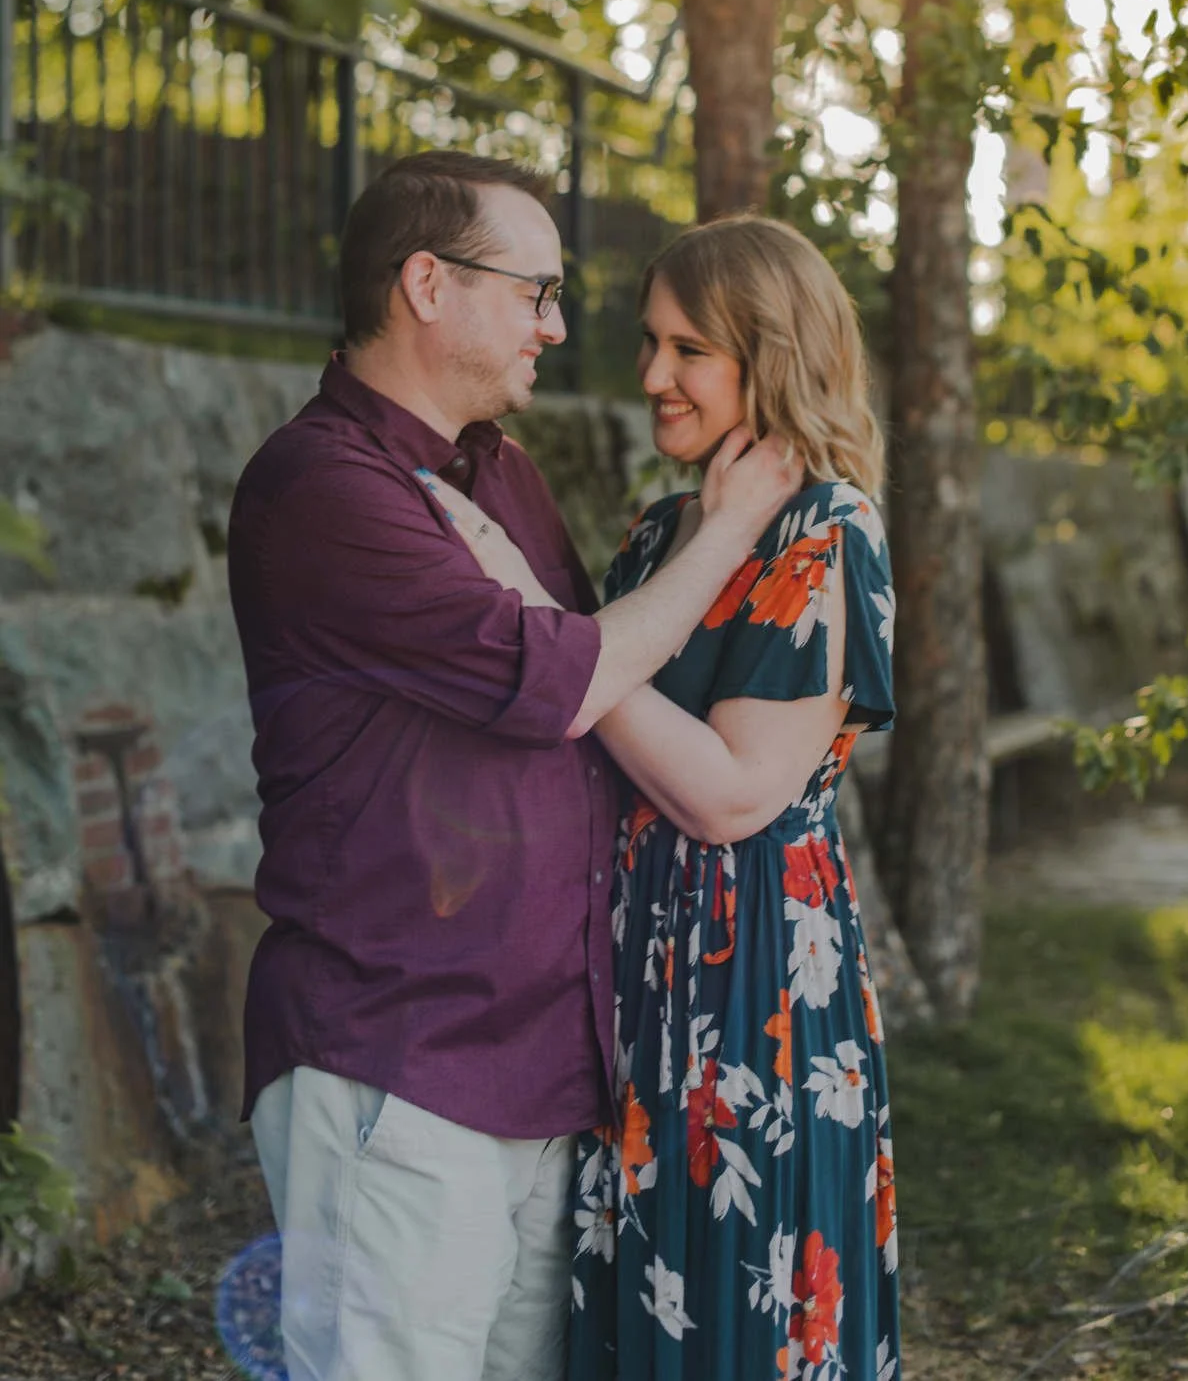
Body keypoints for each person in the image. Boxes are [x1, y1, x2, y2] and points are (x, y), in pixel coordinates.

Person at [225, 152, 799, 1381]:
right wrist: (732, 527)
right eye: (536, 292)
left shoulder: (500, 472)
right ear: (428, 284)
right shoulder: (324, 487)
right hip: (399, 1061)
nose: (556, 326)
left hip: (541, 1070)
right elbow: (572, 679)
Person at [441, 214, 898, 1381]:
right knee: (635, 1311)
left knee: (734, 1311)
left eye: (689, 349)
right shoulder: (657, 534)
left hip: (751, 986)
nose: (652, 375)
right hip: (635, 970)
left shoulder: (828, 531)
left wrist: (551, 633)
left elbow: (733, 795)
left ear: (772, 356)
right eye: (652, 342)